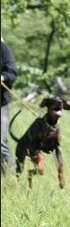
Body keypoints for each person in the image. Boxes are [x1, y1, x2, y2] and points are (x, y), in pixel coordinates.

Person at [1, 36, 18, 175]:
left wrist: (3, 77)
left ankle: (10, 177)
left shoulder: (4, 49)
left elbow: (12, 72)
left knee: (1, 142)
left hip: (1, 104)